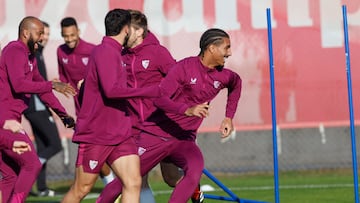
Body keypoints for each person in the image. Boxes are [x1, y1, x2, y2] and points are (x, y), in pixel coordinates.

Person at [97, 28, 242, 203]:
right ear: (212, 48)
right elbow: (159, 99)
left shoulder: (225, 76)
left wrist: (229, 117)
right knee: (126, 180)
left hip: (184, 139)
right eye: (227, 47)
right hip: (156, 135)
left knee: (195, 169)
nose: (230, 53)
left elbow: (236, 84)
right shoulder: (183, 68)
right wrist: (186, 110)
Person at [60, 8, 161, 203]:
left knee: (133, 183)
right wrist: (150, 90)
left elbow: (149, 41)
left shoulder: (115, 51)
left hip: (120, 133)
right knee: (81, 189)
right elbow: (111, 91)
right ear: (125, 29)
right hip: (97, 134)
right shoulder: (105, 52)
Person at [0, 16, 76, 203]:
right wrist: (51, 85)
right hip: (5, 121)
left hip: (12, 119)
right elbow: (19, 85)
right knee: (32, 164)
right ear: (26, 33)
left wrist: (62, 113)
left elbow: (42, 88)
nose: (42, 37)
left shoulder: (30, 57)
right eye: (39, 32)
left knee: (11, 176)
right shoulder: (14, 50)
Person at [57, 16, 114, 185]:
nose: (69, 39)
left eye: (72, 35)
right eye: (66, 36)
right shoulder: (61, 51)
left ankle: (114, 184)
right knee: (92, 151)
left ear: (78, 32)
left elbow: (105, 75)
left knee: (103, 150)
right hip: (81, 112)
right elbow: (63, 77)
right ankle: (111, 185)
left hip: (99, 110)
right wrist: (59, 84)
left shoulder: (92, 50)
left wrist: (88, 82)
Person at [22, 21, 61, 197]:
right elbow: (36, 85)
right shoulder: (33, 53)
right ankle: (27, 171)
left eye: (46, 33)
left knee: (44, 145)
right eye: (42, 33)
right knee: (55, 144)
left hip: (35, 107)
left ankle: (42, 187)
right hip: (36, 107)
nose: (45, 36)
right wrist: (49, 107)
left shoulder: (39, 53)